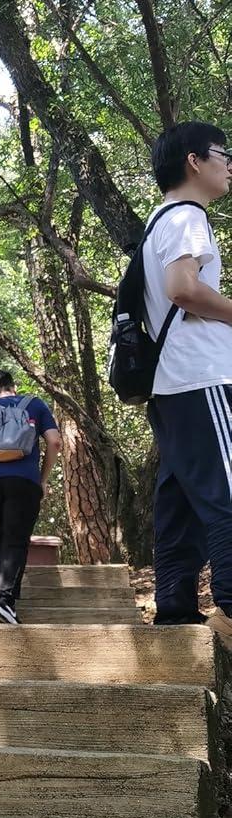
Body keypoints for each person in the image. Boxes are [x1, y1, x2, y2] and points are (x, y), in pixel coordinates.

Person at [141, 121, 232, 632]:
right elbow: (183, 289)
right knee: (228, 492)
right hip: (201, 377)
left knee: (179, 504)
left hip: (171, 386)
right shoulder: (187, 216)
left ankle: (175, 617)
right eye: (223, 153)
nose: (230, 164)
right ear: (194, 161)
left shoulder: (160, 221)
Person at [0, 369, 61, 624]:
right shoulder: (35, 404)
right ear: (13, 386)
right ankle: (6, 602)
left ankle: (4, 600)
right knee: (16, 539)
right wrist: (42, 479)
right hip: (24, 480)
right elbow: (54, 442)